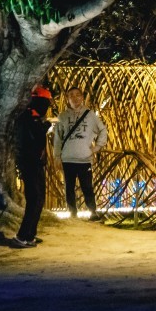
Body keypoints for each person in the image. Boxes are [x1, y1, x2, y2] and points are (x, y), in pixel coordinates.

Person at [53, 86, 108, 221]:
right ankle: (72, 213)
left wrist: (97, 147)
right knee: (69, 188)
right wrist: (57, 156)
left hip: (84, 158)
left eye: (78, 95)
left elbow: (103, 130)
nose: (75, 98)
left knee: (87, 187)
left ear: (82, 97)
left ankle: (93, 212)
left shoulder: (90, 115)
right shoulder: (63, 116)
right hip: (67, 158)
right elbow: (58, 138)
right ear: (67, 99)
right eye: (71, 95)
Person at [10, 86, 53, 248]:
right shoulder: (26, 118)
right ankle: (22, 236)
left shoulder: (33, 117)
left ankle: (30, 234)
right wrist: (44, 128)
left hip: (35, 164)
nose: (46, 106)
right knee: (34, 199)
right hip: (30, 165)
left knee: (39, 198)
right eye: (45, 102)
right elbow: (31, 142)